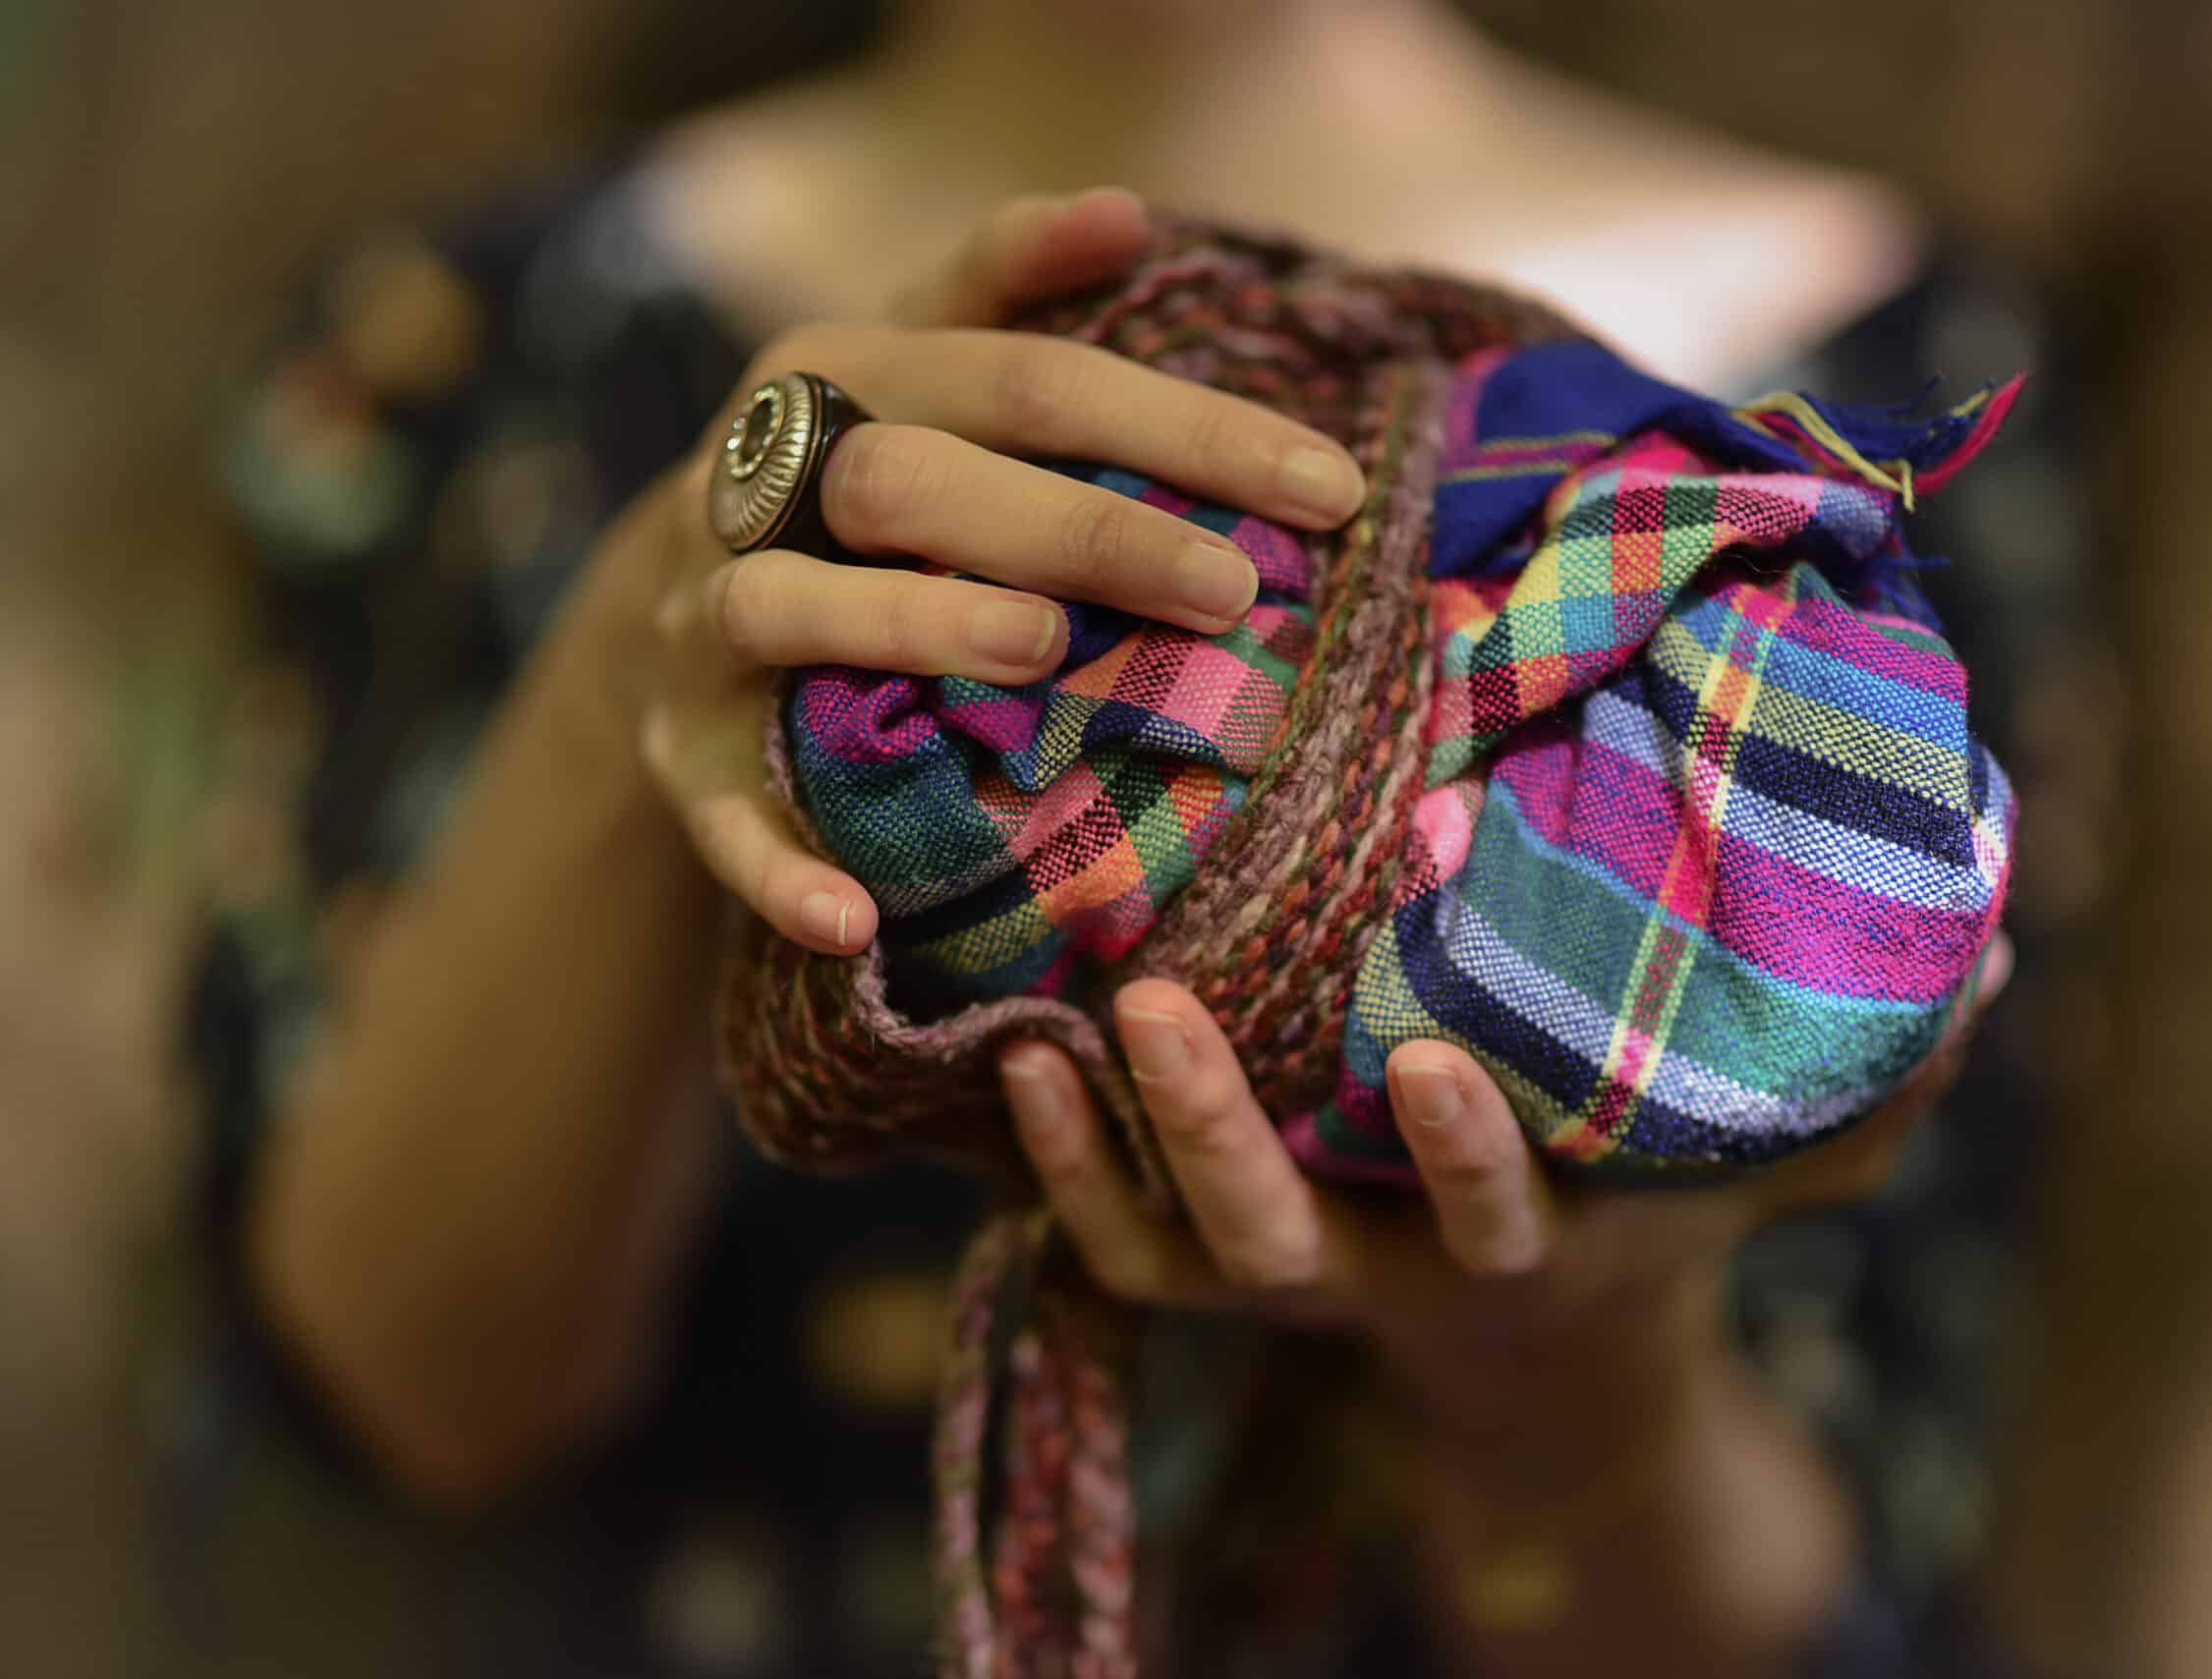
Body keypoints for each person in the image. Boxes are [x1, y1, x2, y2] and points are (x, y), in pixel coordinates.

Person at [189, 4, 2015, 1673]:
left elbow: (1855, 1604)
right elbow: (413, 1397)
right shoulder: (492, 337)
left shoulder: (1904, 369)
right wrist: (627, 671)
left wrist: (1568, 1371)